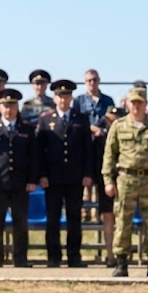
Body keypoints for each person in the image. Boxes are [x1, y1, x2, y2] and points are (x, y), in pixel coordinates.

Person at [103, 87, 148, 278]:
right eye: (133, 103)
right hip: (126, 179)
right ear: (128, 104)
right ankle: (121, 263)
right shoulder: (118, 126)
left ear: (146, 104)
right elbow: (109, 155)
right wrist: (108, 180)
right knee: (123, 221)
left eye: (140, 103)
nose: (136, 106)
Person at [36, 80, 93, 268]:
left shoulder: (81, 118)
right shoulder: (45, 119)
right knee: (52, 219)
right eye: (60, 95)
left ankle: (74, 256)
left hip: (75, 177)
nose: (63, 99)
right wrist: (42, 175)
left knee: (74, 218)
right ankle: (53, 257)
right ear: (54, 98)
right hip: (52, 178)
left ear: (71, 98)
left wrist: (87, 173)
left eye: (67, 95)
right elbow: (40, 151)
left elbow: (87, 149)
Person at [0, 89, 39, 268]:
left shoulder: (27, 129)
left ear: (17, 106)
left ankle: (20, 259)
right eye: (5, 105)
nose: (9, 109)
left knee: (20, 224)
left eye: (12, 105)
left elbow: (34, 157)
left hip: (21, 184)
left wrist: (32, 180)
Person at [94, 106, 125, 265]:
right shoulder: (100, 138)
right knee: (108, 217)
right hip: (106, 181)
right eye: (109, 118)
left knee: (123, 219)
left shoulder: (126, 135)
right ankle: (111, 255)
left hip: (125, 181)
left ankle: (122, 254)